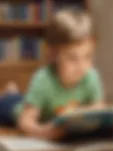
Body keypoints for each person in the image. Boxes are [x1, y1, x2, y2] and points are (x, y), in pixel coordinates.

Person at [0, 8, 105, 140]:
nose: (81, 66)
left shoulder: (91, 76)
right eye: (72, 58)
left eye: (88, 56)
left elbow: (99, 108)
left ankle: (15, 91)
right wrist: (44, 132)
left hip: (36, 102)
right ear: (53, 55)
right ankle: (9, 93)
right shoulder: (42, 79)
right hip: (13, 109)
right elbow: (25, 122)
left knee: (28, 98)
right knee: (11, 102)